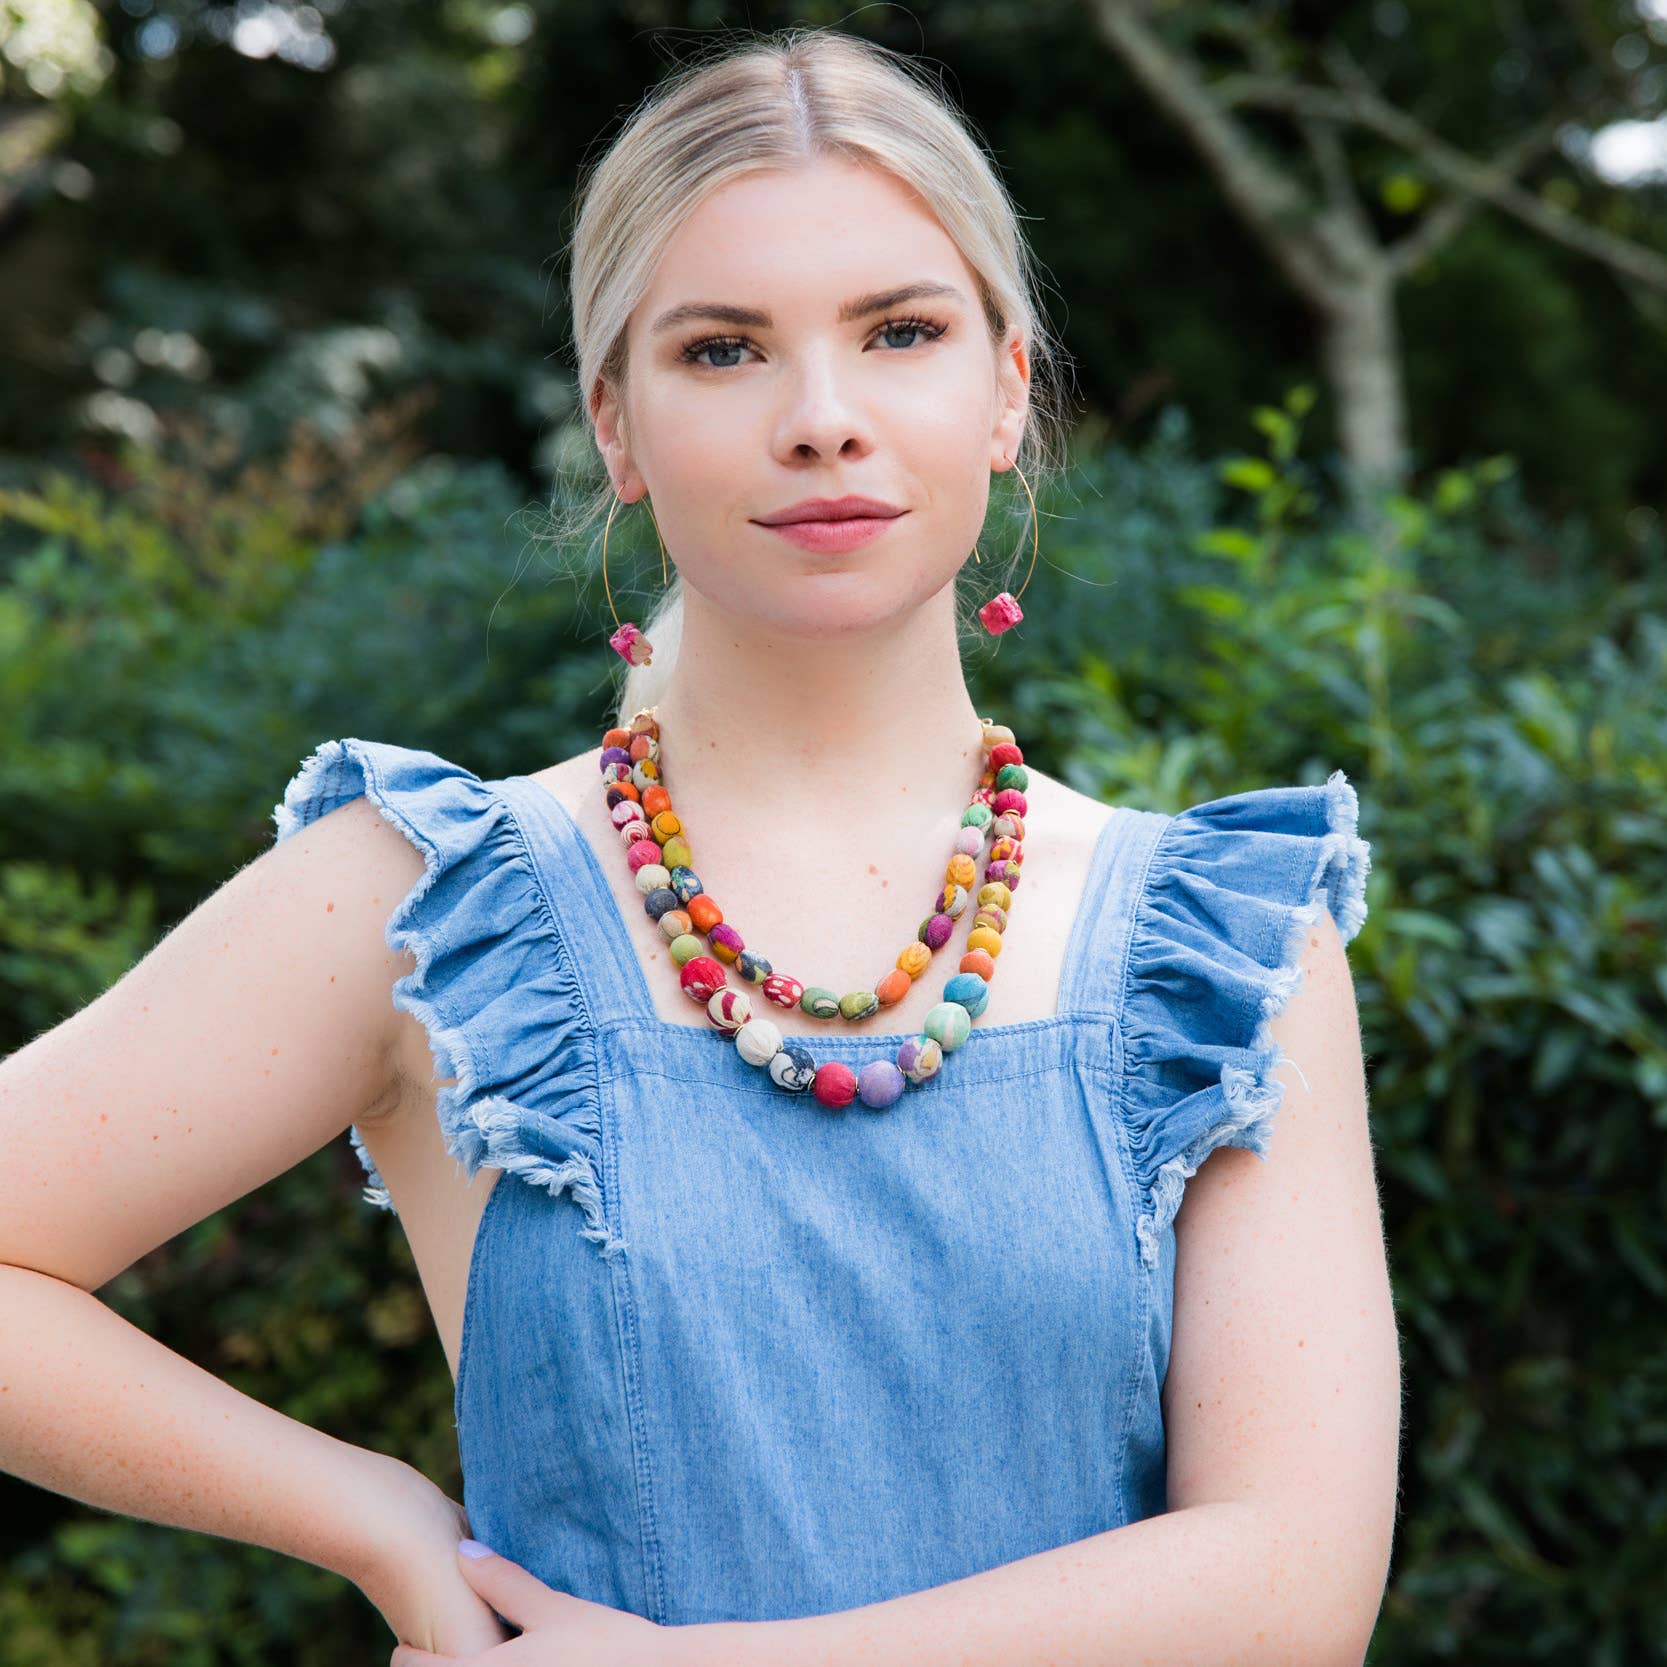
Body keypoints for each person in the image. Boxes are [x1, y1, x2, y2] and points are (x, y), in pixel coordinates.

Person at [0, 26, 1400, 1665]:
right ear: (616, 425)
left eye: (900, 332)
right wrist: (371, 1515)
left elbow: (1294, 1587)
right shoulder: (433, 903)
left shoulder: (1225, 950)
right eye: (724, 350)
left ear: (1007, 388)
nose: (823, 418)